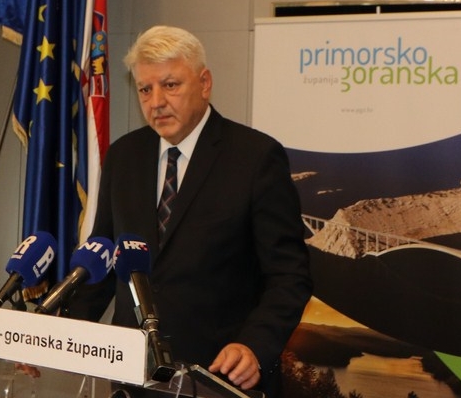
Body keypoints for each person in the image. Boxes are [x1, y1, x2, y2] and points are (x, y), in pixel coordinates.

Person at [66, 25, 311, 397]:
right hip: (134, 378)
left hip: (219, 377)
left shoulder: (255, 158)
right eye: (145, 89)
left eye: (170, 85)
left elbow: (289, 275)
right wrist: (56, 334)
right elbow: (103, 260)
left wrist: (254, 346)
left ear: (204, 83)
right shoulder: (124, 156)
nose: (156, 102)